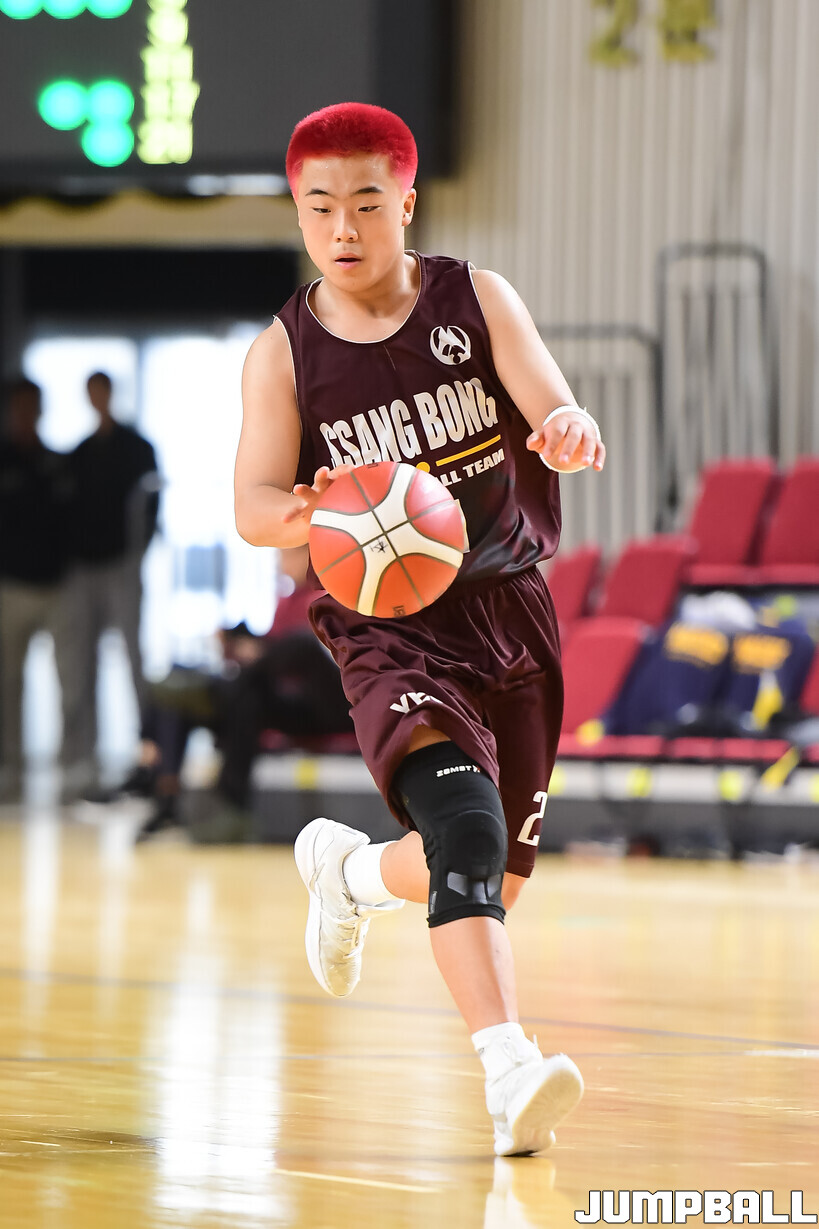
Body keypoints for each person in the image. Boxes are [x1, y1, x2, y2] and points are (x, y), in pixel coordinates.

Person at [234, 103, 606, 1157]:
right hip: (387, 626)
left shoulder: (476, 299)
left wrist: (568, 427)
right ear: (298, 214)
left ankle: (350, 876)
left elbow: (554, 407)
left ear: (405, 202)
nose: (342, 227)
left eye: (365, 203)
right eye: (319, 207)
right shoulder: (283, 354)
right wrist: (308, 511)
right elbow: (252, 505)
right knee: (468, 835)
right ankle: (509, 1069)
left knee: (493, 877)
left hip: (509, 609)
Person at [134, 544, 353, 841]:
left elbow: (301, 656)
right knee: (213, 696)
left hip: (331, 707)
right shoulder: (287, 600)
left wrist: (258, 652)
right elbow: (271, 653)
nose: (278, 563)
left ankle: (214, 690)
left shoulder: (332, 598)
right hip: (286, 704)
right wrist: (238, 641)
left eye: (285, 555)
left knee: (300, 645)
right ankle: (170, 804)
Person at [56, 371, 160, 802]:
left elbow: (150, 504)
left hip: (122, 565)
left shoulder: (136, 447)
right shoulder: (80, 453)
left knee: (135, 660)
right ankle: (81, 763)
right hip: (84, 570)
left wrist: (138, 553)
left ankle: (150, 759)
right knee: (80, 666)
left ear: (110, 394)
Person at [0, 378, 71, 802]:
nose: (26, 415)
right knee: (8, 684)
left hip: (57, 586)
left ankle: (72, 768)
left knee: (71, 681)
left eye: (32, 406)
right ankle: (9, 767)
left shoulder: (57, 463)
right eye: (19, 407)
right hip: (11, 588)